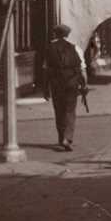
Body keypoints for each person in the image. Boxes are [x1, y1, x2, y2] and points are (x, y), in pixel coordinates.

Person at [42, 23, 86, 151]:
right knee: (70, 110)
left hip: (56, 84)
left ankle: (61, 137)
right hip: (72, 83)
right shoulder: (75, 48)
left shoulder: (49, 48)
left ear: (56, 34)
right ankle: (68, 137)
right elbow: (82, 69)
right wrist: (84, 85)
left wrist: (45, 88)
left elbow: (45, 70)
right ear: (68, 34)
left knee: (59, 110)